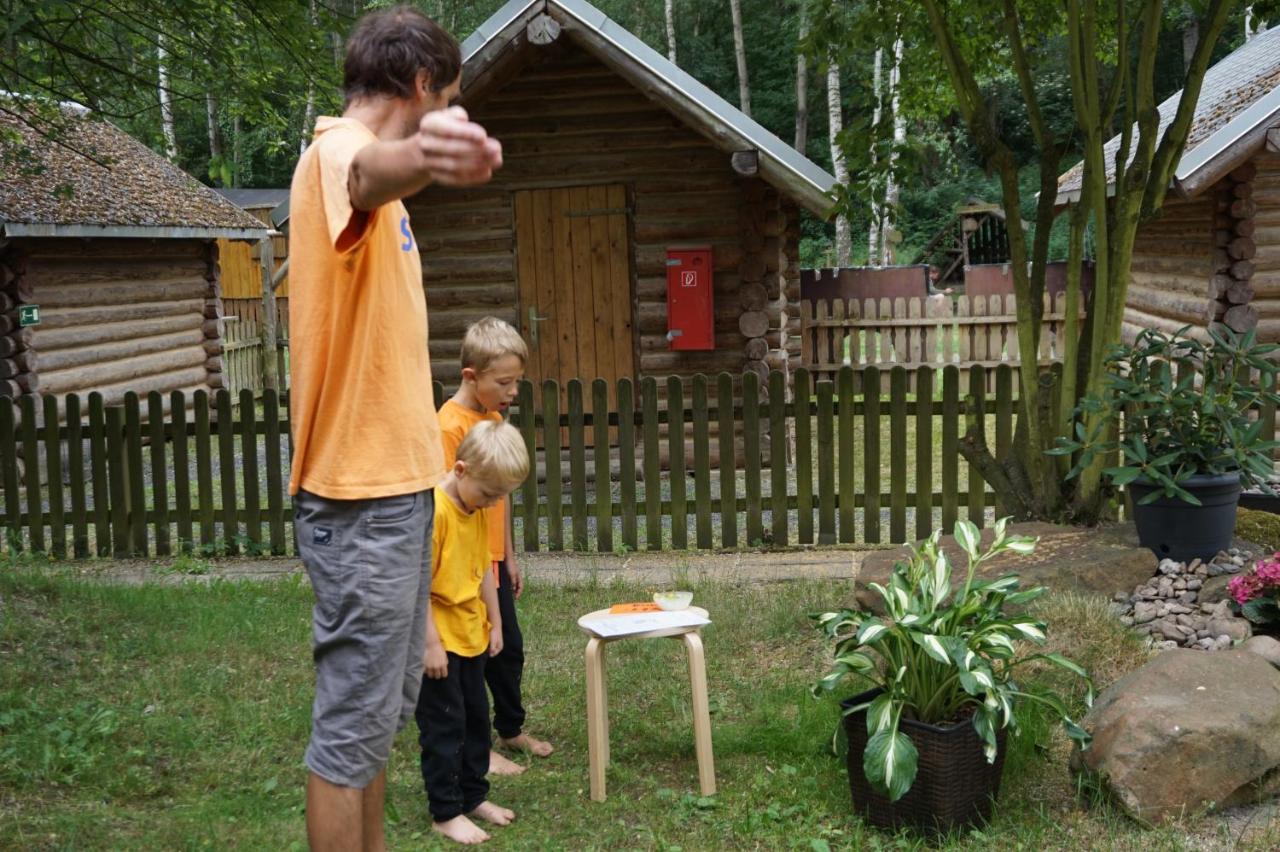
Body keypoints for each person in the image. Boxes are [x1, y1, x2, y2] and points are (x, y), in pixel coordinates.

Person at [286, 6, 502, 851]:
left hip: (394, 493)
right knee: (350, 732)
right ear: (421, 88)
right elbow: (371, 169)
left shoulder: (368, 187)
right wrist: (426, 154)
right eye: (447, 100)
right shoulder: (335, 151)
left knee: (377, 720)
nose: (449, 113)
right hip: (359, 497)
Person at [436, 318, 554, 778]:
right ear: (471, 376)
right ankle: (477, 747)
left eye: (517, 382)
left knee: (508, 648)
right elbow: (453, 500)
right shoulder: (449, 426)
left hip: (493, 561)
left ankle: (510, 728)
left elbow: (497, 500)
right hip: (464, 565)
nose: (512, 392)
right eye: (503, 382)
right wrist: (480, 560)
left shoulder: (495, 420)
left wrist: (509, 555)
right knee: (471, 657)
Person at [417, 421, 531, 845]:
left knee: (475, 722)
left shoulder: (476, 507)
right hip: (439, 643)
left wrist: (496, 622)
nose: (492, 504)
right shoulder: (435, 511)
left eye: (500, 497)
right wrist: (429, 643)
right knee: (444, 727)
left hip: (472, 634)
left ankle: (473, 797)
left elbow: (486, 565)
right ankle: (445, 812)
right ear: (461, 470)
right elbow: (416, 584)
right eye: (488, 494)